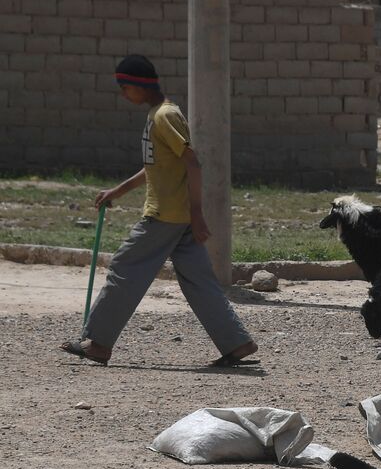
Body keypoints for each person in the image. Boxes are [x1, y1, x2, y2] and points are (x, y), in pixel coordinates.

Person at [60, 54, 258, 368]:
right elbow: (156, 167)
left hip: (164, 216)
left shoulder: (165, 116)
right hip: (177, 221)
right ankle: (237, 343)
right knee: (198, 281)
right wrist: (118, 191)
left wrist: (197, 212)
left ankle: (97, 343)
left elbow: (192, 162)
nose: (123, 94)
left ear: (140, 86)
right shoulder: (157, 114)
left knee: (125, 267)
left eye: (125, 87)